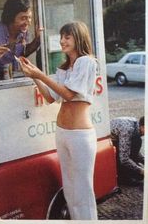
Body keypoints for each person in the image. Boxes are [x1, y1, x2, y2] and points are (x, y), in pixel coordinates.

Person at [19, 21, 98, 220]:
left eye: (67, 37)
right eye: (61, 37)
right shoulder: (65, 68)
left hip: (80, 135)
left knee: (82, 191)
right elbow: (50, 97)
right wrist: (33, 75)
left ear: (78, 38)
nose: (62, 41)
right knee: (70, 190)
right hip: (62, 132)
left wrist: (41, 75)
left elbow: (70, 95)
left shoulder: (86, 62)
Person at [0, 0, 42, 80]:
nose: (28, 22)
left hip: (13, 80)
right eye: (23, 18)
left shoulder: (23, 31)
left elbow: (22, 53)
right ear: (10, 17)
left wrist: (37, 40)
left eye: (29, 18)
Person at [110, 116, 145, 186]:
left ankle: (128, 170)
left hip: (116, 140)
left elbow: (134, 151)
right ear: (143, 126)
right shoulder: (128, 130)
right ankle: (123, 178)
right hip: (107, 144)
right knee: (137, 141)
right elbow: (124, 159)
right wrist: (142, 171)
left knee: (137, 140)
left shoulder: (136, 126)